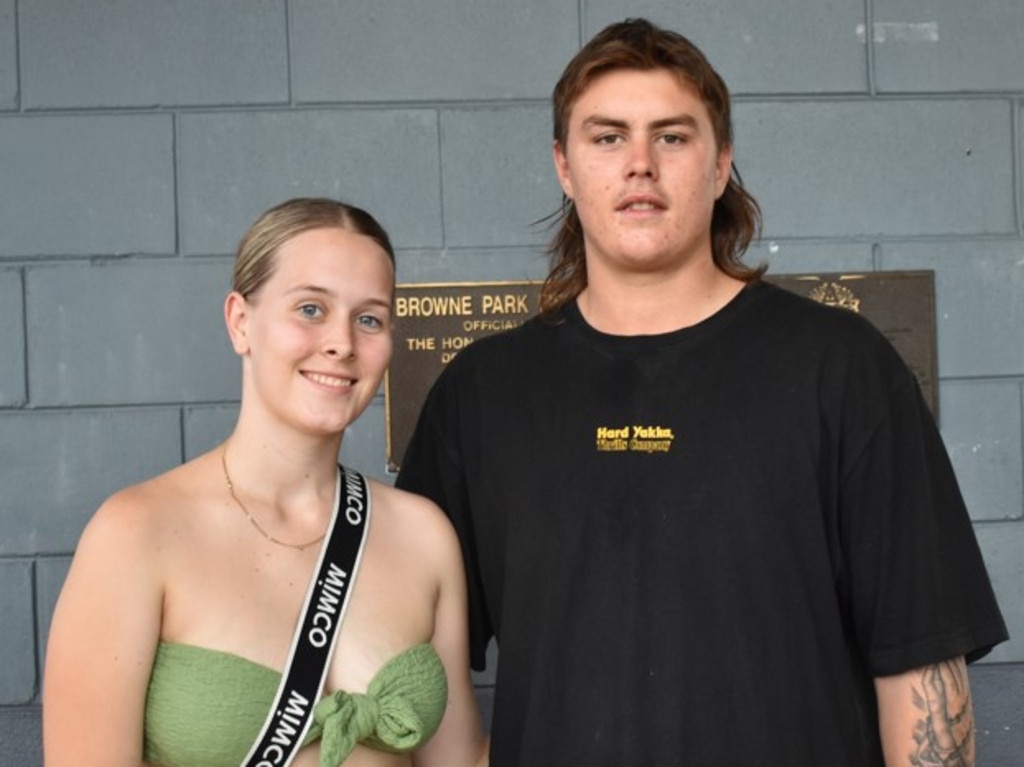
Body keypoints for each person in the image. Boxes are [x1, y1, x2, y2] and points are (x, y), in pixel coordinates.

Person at [396, 18, 1008, 767]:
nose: (641, 164)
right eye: (608, 136)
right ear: (564, 165)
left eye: (674, 136)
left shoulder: (841, 369)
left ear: (720, 166)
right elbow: (409, 666)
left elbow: (921, 667)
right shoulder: (481, 397)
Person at [44, 198, 487, 767]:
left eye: (369, 318)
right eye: (310, 308)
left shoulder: (424, 536)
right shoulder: (136, 533)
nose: (342, 343)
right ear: (240, 321)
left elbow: (460, 763)